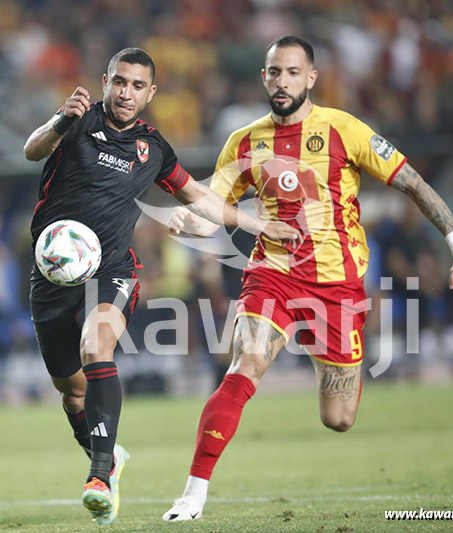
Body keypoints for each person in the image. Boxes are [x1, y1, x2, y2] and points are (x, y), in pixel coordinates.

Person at [162, 35, 453, 521]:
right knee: (244, 365)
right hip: (272, 275)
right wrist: (191, 220)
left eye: (293, 72)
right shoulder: (245, 141)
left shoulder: (343, 129)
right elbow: (213, 210)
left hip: (337, 287)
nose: (282, 81)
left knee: (338, 419)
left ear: (311, 78)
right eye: (274, 72)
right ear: (264, 77)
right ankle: (193, 494)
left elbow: (413, 183)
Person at [23, 47, 298, 525]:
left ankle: (100, 475)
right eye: (119, 82)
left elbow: (199, 197)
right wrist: (59, 122)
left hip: (111, 270)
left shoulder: (153, 149)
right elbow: (32, 149)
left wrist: (255, 224)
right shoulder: (78, 122)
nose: (126, 93)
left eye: (136, 86)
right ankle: (109, 452)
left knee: (96, 347)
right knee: (71, 393)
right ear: (106, 81)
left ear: (150, 94)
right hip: (52, 274)